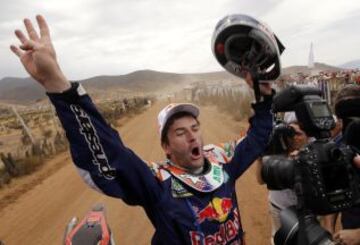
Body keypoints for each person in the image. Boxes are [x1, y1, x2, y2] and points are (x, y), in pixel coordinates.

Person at [10, 15, 274, 244]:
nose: (192, 135)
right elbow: (113, 154)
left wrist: (263, 99)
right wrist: (56, 81)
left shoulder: (222, 161)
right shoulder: (158, 182)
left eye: (194, 128)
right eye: (180, 133)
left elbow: (257, 138)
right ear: (166, 146)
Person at [256, 112, 309, 245]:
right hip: (279, 209)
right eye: (290, 133)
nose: (294, 138)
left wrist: (302, 160)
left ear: (307, 136)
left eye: (298, 134)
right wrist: (260, 158)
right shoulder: (275, 150)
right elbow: (261, 180)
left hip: (307, 211)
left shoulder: (314, 153)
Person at [325, 85, 360, 245]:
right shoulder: (338, 148)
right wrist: (329, 229)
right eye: (344, 119)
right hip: (347, 232)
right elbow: (335, 191)